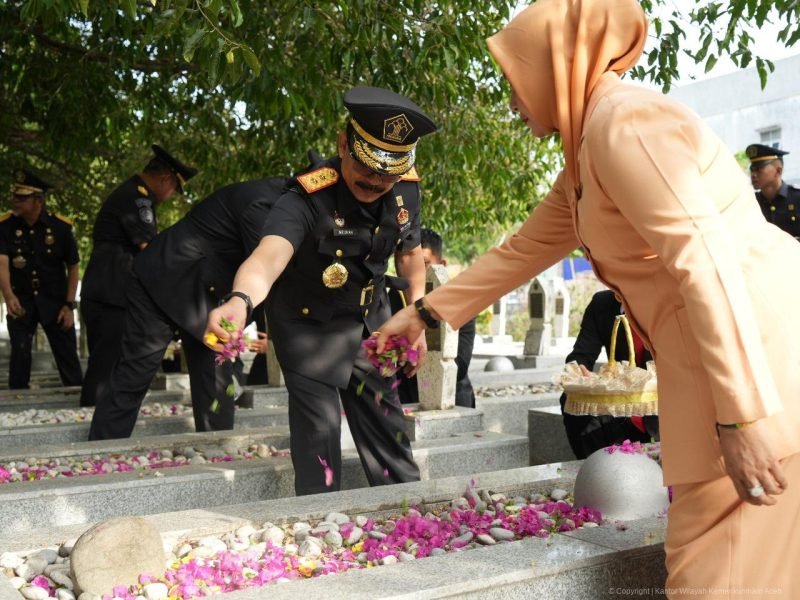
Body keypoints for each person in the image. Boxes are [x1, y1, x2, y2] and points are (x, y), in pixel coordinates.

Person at [374, 0, 799, 596]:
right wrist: (423, 314)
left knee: (717, 573)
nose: (512, 100)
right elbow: (525, 248)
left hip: (756, 361)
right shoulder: (588, 149)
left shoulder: (626, 127)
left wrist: (741, 414)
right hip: (727, 363)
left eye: (514, 80)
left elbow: (705, 265)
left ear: (554, 67)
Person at [205, 86, 437, 496]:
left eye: (389, 173)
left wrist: (415, 317)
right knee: (320, 439)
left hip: (370, 324)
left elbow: (410, 256)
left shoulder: (405, 189)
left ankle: (409, 509)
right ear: (344, 144)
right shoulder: (305, 198)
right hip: (309, 328)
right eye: (368, 168)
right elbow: (267, 259)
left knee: (390, 430)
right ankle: (317, 525)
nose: (377, 181)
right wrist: (240, 302)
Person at [87, 177, 287, 440]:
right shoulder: (266, 205)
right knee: (134, 373)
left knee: (216, 378)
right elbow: (273, 278)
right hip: (161, 280)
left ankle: (217, 449)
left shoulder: (284, 205)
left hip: (207, 297)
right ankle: (102, 448)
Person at [79, 145, 197, 407]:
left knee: (105, 363)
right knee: (105, 368)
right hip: (113, 294)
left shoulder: (132, 194)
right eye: (174, 189)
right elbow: (149, 250)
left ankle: (98, 420)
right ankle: (92, 424)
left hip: (104, 291)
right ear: (166, 178)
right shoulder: (137, 200)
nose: (171, 196)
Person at [0, 170, 83, 389]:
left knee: (67, 358)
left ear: (38, 200)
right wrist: (8, 296)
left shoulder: (60, 228)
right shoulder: (5, 226)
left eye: (22, 198)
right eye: (14, 196)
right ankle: (16, 410)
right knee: (19, 355)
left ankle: (79, 403)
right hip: (22, 300)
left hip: (55, 302)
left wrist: (69, 304)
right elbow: (2, 263)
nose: (15, 201)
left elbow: (73, 266)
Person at [559, 289, 659, 458]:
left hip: (661, 401)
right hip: (620, 401)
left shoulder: (670, 303)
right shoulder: (602, 302)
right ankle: (596, 467)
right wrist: (578, 373)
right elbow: (581, 355)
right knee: (572, 397)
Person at [390, 227, 476, 408]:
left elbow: (460, 364)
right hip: (404, 399)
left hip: (452, 400)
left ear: (441, 265)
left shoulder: (462, 304)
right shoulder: (390, 300)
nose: (413, 273)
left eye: (424, 263)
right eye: (402, 262)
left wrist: (412, 355)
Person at [746, 143, 800, 240]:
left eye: (759, 169)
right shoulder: (750, 202)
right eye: (752, 170)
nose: (753, 175)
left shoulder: (797, 198)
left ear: (778, 170)